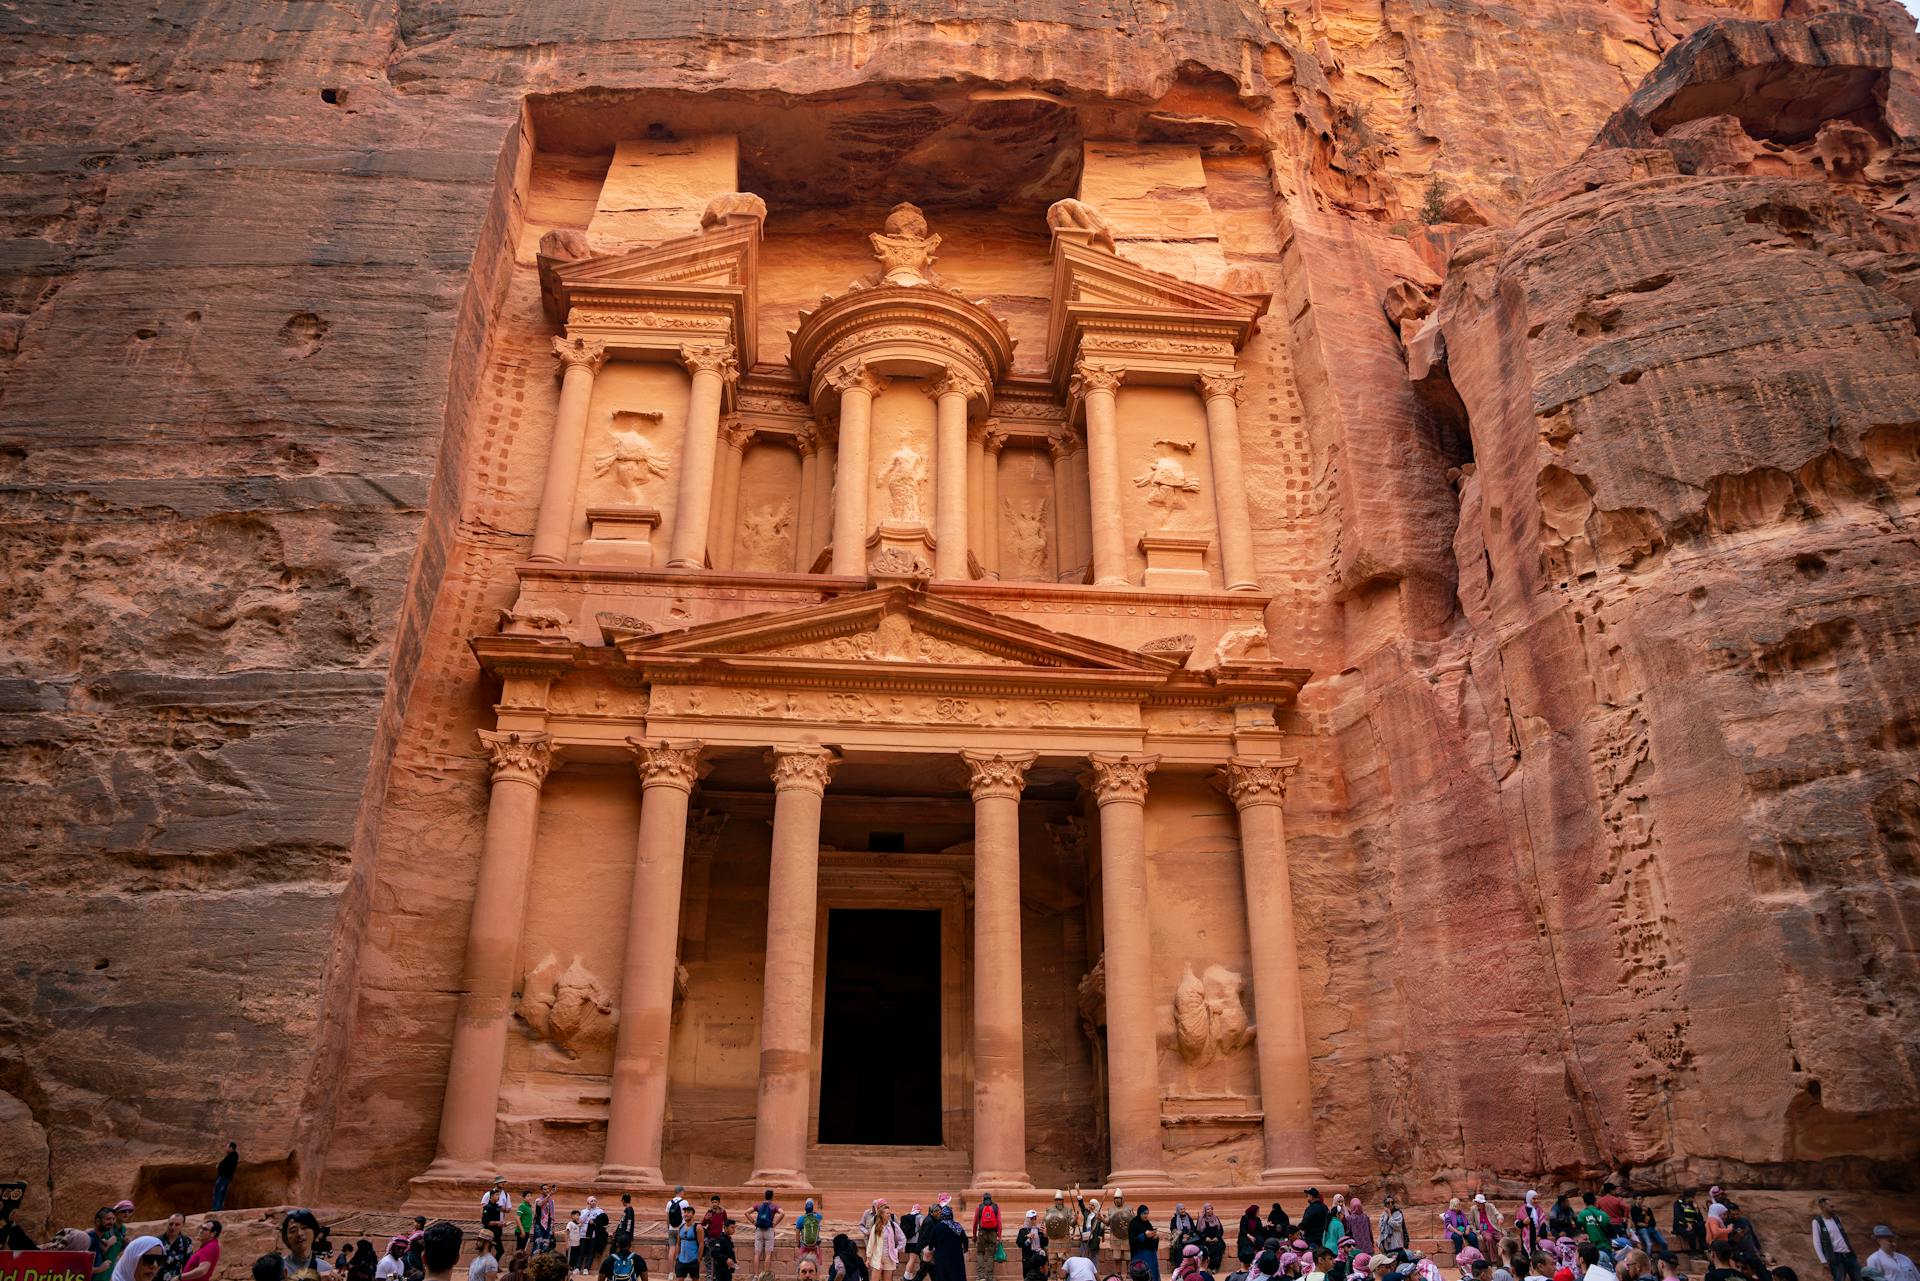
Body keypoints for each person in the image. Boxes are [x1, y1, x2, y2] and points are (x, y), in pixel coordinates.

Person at [283, 1211, 335, 1281]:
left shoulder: (326, 1268)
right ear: (286, 1238)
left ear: (314, 1232)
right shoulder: (276, 1267)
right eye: (293, 1230)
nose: (299, 1233)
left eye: (304, 1228)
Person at [925, 1208, 969, 1281]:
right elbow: (965, 1239)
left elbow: (931, 1241)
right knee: (957, 1275)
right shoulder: (957, 1226)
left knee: (942, 1276)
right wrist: (965, 1248)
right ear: (951, 1215)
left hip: (941, 1257)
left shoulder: (937, 1227)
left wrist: (930, 1249)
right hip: (956, 1256)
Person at [753, 1191, 786, 1279]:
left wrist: (753, 1222)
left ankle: (756, 1276)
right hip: (769, 1230)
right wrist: (775, 1223)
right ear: (772, 1197)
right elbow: (782, 1213)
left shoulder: (759, 1206)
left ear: (765, 1196)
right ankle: (765, 1277)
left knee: (757, 1253)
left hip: (759, 1230)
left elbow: (746, 1212)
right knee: (768, 1254)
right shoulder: (773, 1206)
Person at [870, 1203, 905, 1281]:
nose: (889, 1215)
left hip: (889, 1257)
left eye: (889, 1213)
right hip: (877, 1257)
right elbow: (871, 1243)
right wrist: (868, 1258)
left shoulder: (893, 1225)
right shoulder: (876, 1227)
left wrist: (896, 1250)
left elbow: (903, 1239)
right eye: (887, 1213)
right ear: (882, 1215)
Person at [977, 1197, 1006, 1281]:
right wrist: (999, 1235)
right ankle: (990, 1276)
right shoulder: (996, 1207)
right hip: (993, 1233)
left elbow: (975, 1221)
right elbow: (999, 1222)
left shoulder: (979, 1207)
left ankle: (981, 1276)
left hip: (982, 1233)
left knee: (980, 1253)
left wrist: (974, 1235)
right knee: (990, 1254)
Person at [157, 1215, 194, 1281]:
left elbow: (188, 1265)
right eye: (171, 1224)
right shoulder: (157, 1241)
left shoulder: (186, 1242)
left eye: (177, 1224)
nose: (173, 1227)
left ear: (183, 1225)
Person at [1131, 1208, 1161, 1281]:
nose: (1146, 1215)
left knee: (1153, 1273)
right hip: (1140, 1255)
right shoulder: (1134, 1224)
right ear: (1139, 1214)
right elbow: (1133, 1241)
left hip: (1151, 1254)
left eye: (1147, 1213)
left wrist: (1155, 1238)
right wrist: (1144, 1235)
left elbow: (1152, 1239)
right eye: (1144, 1213)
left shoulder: (1148, 1223)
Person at [211, 1144, 239, 1213]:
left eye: (227, 1147)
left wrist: (219, 1166)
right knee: (222, 1193)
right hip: (227, 1177)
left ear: (231, 1148)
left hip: (224, 1177)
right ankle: (218, 1208)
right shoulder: (233, 1156)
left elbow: (227, 1166)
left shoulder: (232, 1156)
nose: (226, 1149)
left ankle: (216, 1208)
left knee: (218, 1192)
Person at [797, 1202, 825, 1268]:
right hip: (815, 1245)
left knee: (801, 1262)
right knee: (818, 1263)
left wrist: (798, 1244)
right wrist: (814, 1212)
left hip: (804, 1244)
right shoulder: (818, 1217)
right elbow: (821, 1215)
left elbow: (797, 1233)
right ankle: (818, 1274)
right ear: (812, 1209)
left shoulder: (801, 1218)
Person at [675, 1217, 702, 1281]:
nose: (686, 1214)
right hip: (681, 1260)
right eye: (685, 1212)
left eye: (688, 1212)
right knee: (679, 1279)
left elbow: (701, 1243)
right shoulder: (681, 1227)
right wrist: (677, 1257)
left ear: (693, 1215)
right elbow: (678, 1243)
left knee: (695, 1279)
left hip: (693, 1260)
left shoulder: (697, 1227)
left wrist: (698, 1259)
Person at [536, 1189, 557, 1257]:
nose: (547, 1190)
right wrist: (550, 1194)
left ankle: (544, 1264)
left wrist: (553, 1227)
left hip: (548, 1225)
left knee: (546, 1245)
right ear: (541, 1190)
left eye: (548, 1189)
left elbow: (552, 1214)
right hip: (539, 1225)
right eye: (545, 1189)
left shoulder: (551, 1201)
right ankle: (535, 1265)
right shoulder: (538, 1199)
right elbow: (540, 1204)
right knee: (538, 1245)